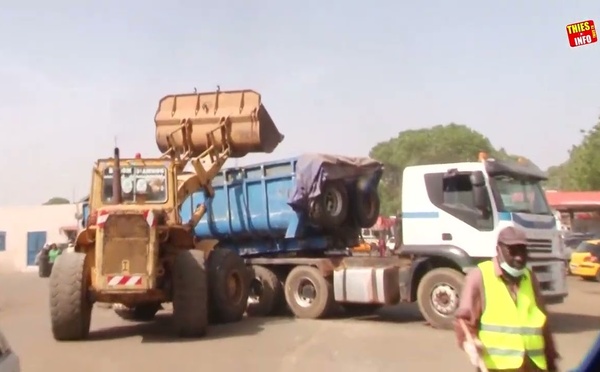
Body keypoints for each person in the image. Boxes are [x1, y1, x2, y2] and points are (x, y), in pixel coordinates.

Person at [454, 226, 560, 372]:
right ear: (499, 250)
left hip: (533, 366)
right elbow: (464, 321)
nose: (519, 257)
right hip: (498, 368)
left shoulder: (530, 278)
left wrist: (552, 362)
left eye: (523, 251)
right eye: (513, 251)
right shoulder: (479, 277)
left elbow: (543, 324)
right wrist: (469, 343)